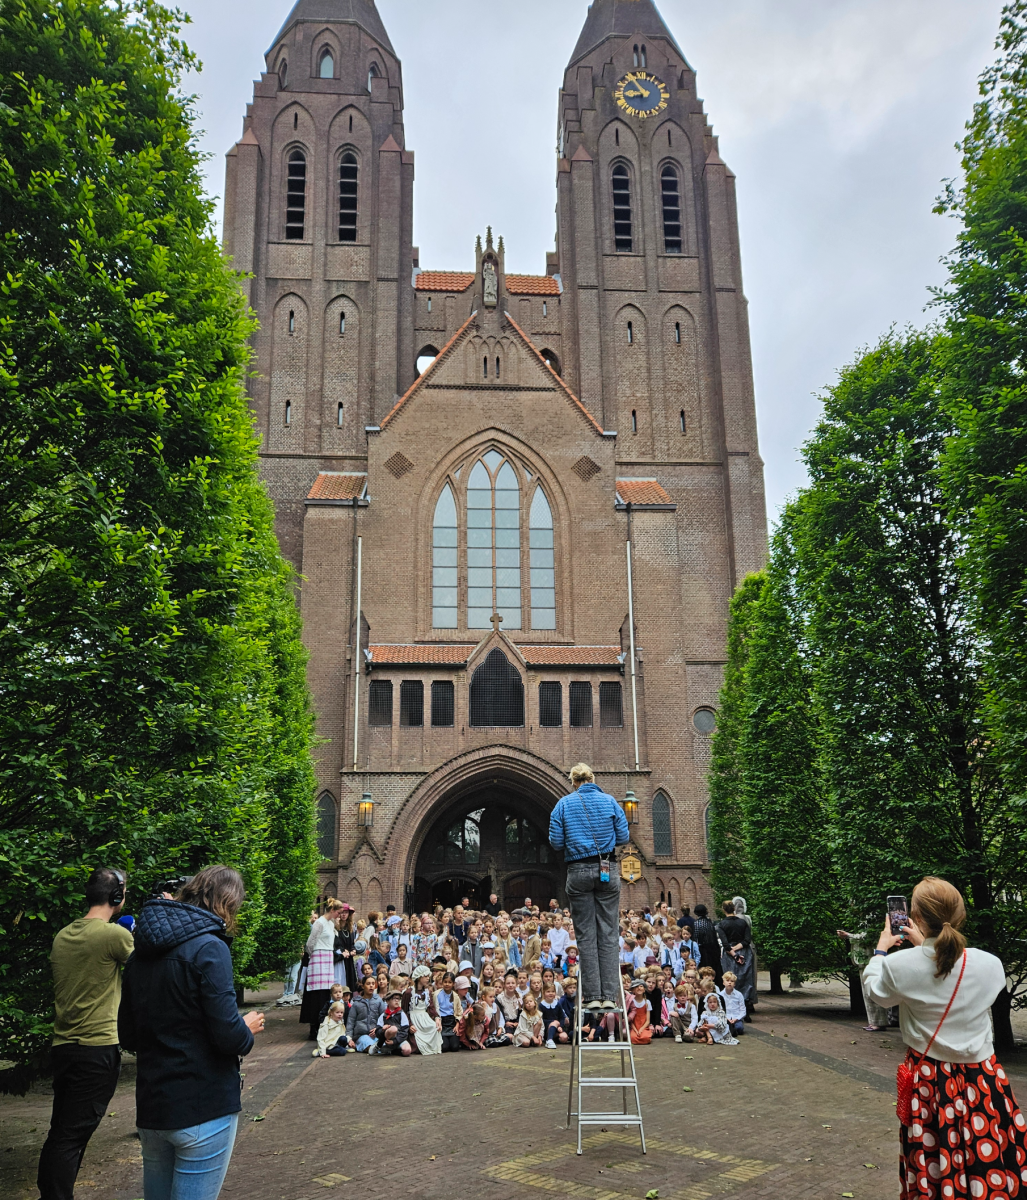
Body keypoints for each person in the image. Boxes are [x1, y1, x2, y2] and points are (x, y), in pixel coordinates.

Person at [863, 876, 1024, 1199]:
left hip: (931, 1082)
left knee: (934, 1157)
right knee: (986, 1153)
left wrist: (881, 950)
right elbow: (946, 969)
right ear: (960, 914)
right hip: (983, 1079)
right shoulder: (991, 965)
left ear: (916, 917)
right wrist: (926, 944)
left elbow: (877, 992)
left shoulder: (898, 966)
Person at [118, 866, 265, 1200]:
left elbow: (126, 1035)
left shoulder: (140, 953)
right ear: (228, 903)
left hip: (153, 1109)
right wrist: (246, 1029)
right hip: (203, 1107)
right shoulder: (210, 948)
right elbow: (229, 1036)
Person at [37, 867, 134, 1200]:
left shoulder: (63, 935)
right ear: (117, 896)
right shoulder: (113, 936)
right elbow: (149, 967)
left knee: (62, 1131)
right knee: (71, 1136)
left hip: (64, 1047)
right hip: (96, 1049)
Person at [549, 764, 629, 1012]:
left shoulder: (563, 804)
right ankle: (610, 996)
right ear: (592, 778)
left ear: (573, 781)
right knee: (608, 932)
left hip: (578, 871)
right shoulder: (610, 801)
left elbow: (556, 842)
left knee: (585, 934)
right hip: (607, 868)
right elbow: (624, 837)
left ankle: (592, 996)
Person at [300, 900, 344, 1039]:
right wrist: (314, 956)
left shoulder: (331, 924)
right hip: (318, 959)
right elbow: (310, 943)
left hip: (327, 958)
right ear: (332, 910)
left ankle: (324, 1024)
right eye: (338, 912)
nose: (339, 915)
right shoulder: (319, 923)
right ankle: (314, 1026)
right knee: (316, 994)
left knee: (326, 993)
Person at [716, 901, 756, 1019]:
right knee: (745, 979)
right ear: (734, 909)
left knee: (730, 979)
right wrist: (738, 950)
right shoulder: (743, 922)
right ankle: (746, 1009)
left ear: (724, 910)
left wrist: (734, 953)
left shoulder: (721, 924)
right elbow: (747, 940)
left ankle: (732, 1009)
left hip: (730, 955)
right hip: (744, 952)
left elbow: (725, 944)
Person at [346, 975, 385, 1053]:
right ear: (363, 986)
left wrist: (378, 1029)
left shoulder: (378, 1001)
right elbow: (350, 1022)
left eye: (373, 983)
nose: (371, 986)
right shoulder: (356, 1003)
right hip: (361, 1035)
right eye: (368, 984)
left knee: (383, 1046)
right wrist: (349, 1039)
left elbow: (384, 1018)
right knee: (371, 1046)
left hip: (376, 1035)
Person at [409, 966, 442, 1055]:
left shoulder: (427, 992)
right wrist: (409, 1024)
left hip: (424, 1017)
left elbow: (431, 1008)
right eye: (426, 976)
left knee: (434, 1027)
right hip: (413, 1018)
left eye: (428, 976)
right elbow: (404, 1011)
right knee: (415, 1044)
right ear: (419, 977)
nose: (428, 978)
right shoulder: (409, 992)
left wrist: (437, 1018)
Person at [721, 972, 746, 1036]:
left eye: (732, 981)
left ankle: (733, 1030)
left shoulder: (739, 995)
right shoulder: (720, 995)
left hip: (736, 1018)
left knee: (739, 1028)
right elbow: (719, 1009)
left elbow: (743, 1010)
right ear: (723, 983)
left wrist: (736, 1018)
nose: (729, 983)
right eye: (727, 981)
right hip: (725, 1018)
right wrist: (726, 1018)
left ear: (734, 984)